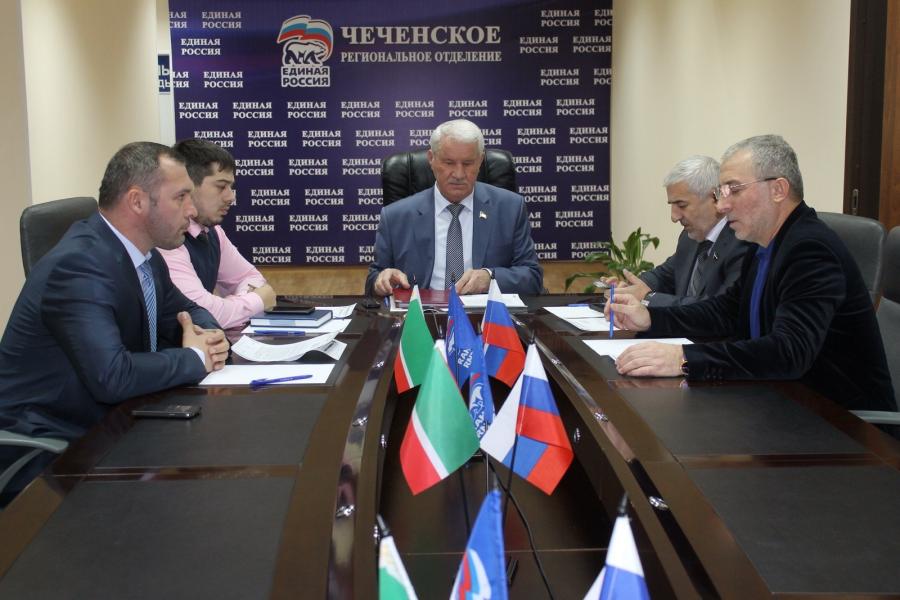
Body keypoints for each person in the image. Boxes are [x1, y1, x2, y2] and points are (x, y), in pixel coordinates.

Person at [0, 142, 229, 503]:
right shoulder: (79, 267)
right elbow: (113, 377)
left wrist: (209, 336)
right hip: (49, 447)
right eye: (181, 197)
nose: (191, 209)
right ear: (137, 201)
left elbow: (185, 310)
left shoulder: (145, 257)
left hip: (113, 422)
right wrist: (196, 358)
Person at [609, 134, 896, 413]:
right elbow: (726, 312)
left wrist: (684, 359)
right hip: (777, 401)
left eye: (734, 190)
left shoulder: (810, 250)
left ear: (778, 190)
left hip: (839, 422)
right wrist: (651, 318)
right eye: (722, 192)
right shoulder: (764, 244)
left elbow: (788, 352)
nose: (723, 205)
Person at [366, 119, 543, 296]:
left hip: (484, 311)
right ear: (431, 159)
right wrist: (381, 281)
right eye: (449, 163)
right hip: (421, 311)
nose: (458, 174)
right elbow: (372, 283)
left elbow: (532, 278)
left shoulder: (510, 208)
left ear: (480, 161)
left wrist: (490, 278)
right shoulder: (395, 216)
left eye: (467, 163)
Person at [158, 139, 276, 329]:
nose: (231, 197)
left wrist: (235, 304)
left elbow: (249, 277)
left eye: (231, 187)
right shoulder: (167, 238)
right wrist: (257, 300)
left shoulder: (212, 231)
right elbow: (204, 313)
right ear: (187, 186)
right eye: (221, 186)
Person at [605, 156, 750, 306]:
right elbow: (665, 275)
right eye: (672, 205)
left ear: (716, 197)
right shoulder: (689, 238)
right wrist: (633, 288)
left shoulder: (741, 242)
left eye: (681, 205)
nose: (674, 217)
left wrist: (647, 297)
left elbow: (716, 307)